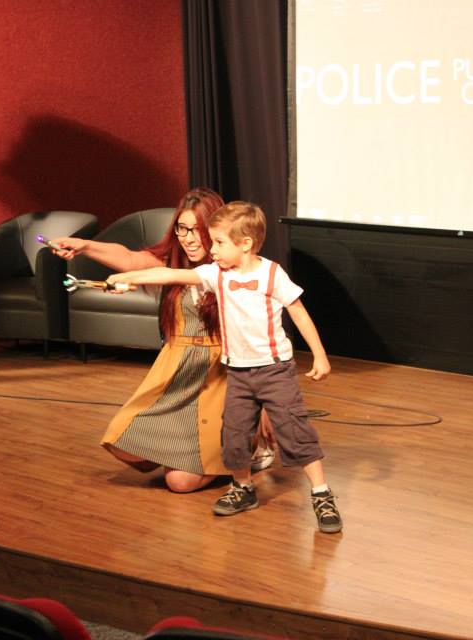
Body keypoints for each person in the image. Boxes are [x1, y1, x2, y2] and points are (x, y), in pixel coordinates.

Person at [108, 201, 343, 532]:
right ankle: (242, 488)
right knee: (233, 434)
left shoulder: (271, 274)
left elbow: (299, 312)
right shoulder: (215, 274)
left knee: (295, 431)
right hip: (238, 372)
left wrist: (319, 354)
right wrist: (126, 278)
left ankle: (321, 493)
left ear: (245, 243)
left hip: (274, 370)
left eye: (219, 242)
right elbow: (170, 274)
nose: (212, 249)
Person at [52, 188, 272, 493]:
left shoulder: (235, 270)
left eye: (197, 230)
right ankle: (185, 450)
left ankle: (247, 445)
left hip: (221, 378)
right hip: (178, 373)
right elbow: (129, 258)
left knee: (179, 482)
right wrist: (83, 246)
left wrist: (263, 404)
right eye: (182, 228)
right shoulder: (172, 261)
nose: (189, 238)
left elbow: (258, 339)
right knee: (123, 443)